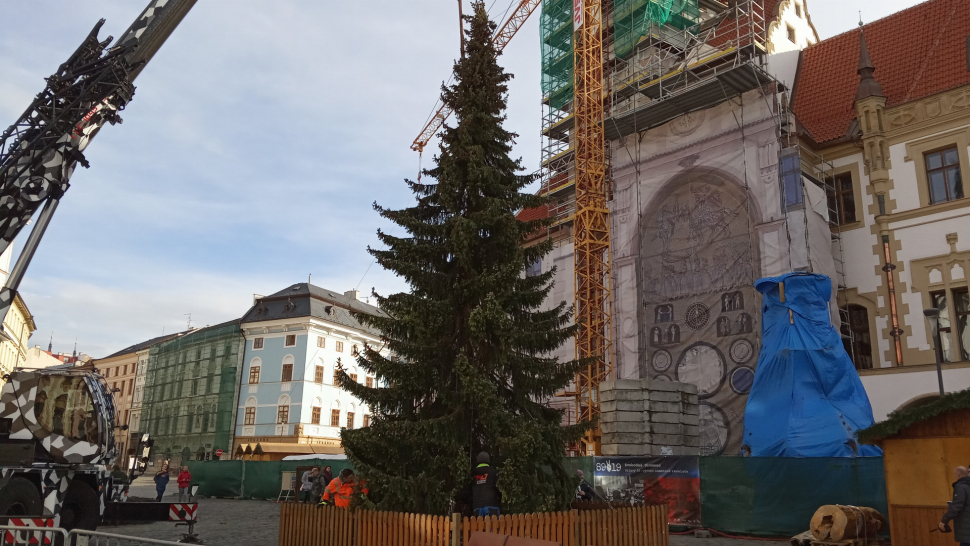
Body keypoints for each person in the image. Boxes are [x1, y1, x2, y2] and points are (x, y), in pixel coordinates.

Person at [940, 465, 970, 545]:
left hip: (966, 530)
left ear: (958, 475)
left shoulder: (961, 487)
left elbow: (956, 507)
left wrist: (944, 521)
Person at [469, 451, 501, 517]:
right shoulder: (493, 472)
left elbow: (468, 491)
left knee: (479, 527)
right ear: (488, 461)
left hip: (477, 506)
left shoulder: (472, 473)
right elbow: (499, 489)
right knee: (492, 526)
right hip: (492, 505)